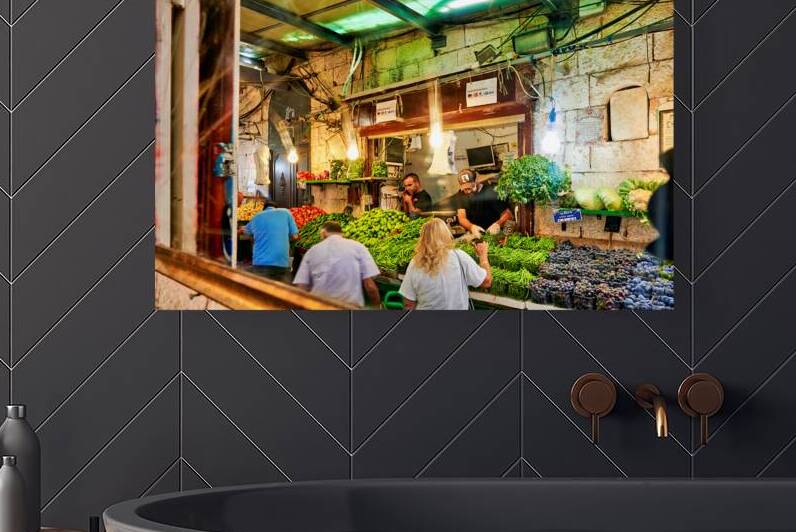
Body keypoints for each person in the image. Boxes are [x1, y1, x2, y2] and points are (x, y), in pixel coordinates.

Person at [399, 218, 492, 310]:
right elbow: (486, 282)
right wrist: (483, 256)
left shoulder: (415, 263)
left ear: (423, 238)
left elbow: (408, 304)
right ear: (446, 235)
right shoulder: (459, 256)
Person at [294, 221, 381, 307]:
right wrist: (377, 306)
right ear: (342, 234)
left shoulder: (312, 251)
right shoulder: (358, 247)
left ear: (323, 233)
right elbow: (370, 286)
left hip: (319, 307)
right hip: (349, 308)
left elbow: (302, 287)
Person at [241, 199, 298, 282]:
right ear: (276, 208)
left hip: (260, 264)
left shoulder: (257, 216)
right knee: (282, 293)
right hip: (281, 262)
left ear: (263, 209)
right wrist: (284, 238)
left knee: (262, 292)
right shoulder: (286, 213)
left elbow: (244, 231)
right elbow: (295, 236)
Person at [454, 168, 513, 238]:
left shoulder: (490, 192)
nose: (468, 191)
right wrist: (472, 227)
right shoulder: (461, 194)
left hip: (494, 234)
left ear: (477, 181)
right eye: (465, 189)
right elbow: (462, 217)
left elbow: (508, 214)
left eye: (470, 187)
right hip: (476, 234)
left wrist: (497, 224)